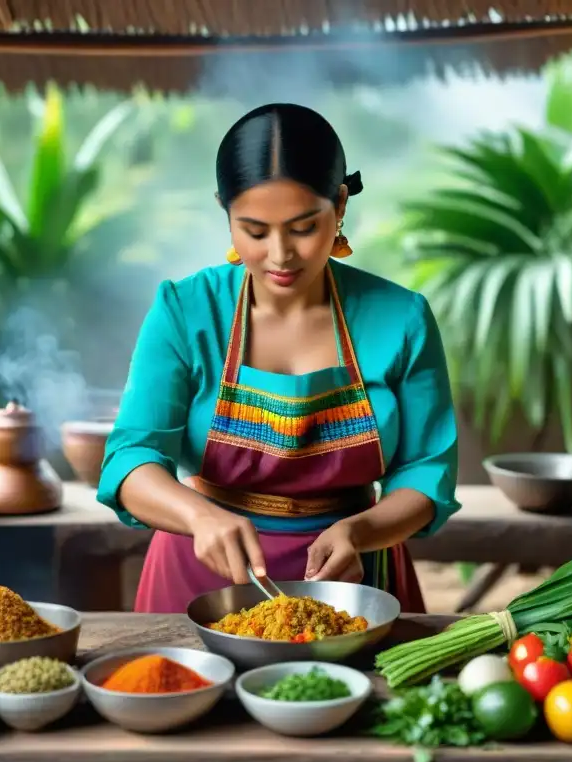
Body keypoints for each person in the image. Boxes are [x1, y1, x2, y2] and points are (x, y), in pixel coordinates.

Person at [97, 103, 460, 614]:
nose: (280, 255)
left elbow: (426, 472)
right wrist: (198, 515)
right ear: (225, 213)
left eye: (303, 227)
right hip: (199, 580)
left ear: (339, 205)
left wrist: (361, 530)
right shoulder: (185, 310)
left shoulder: (402, 318)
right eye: (255, 231)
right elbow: (130, 458)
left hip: (353, 583)